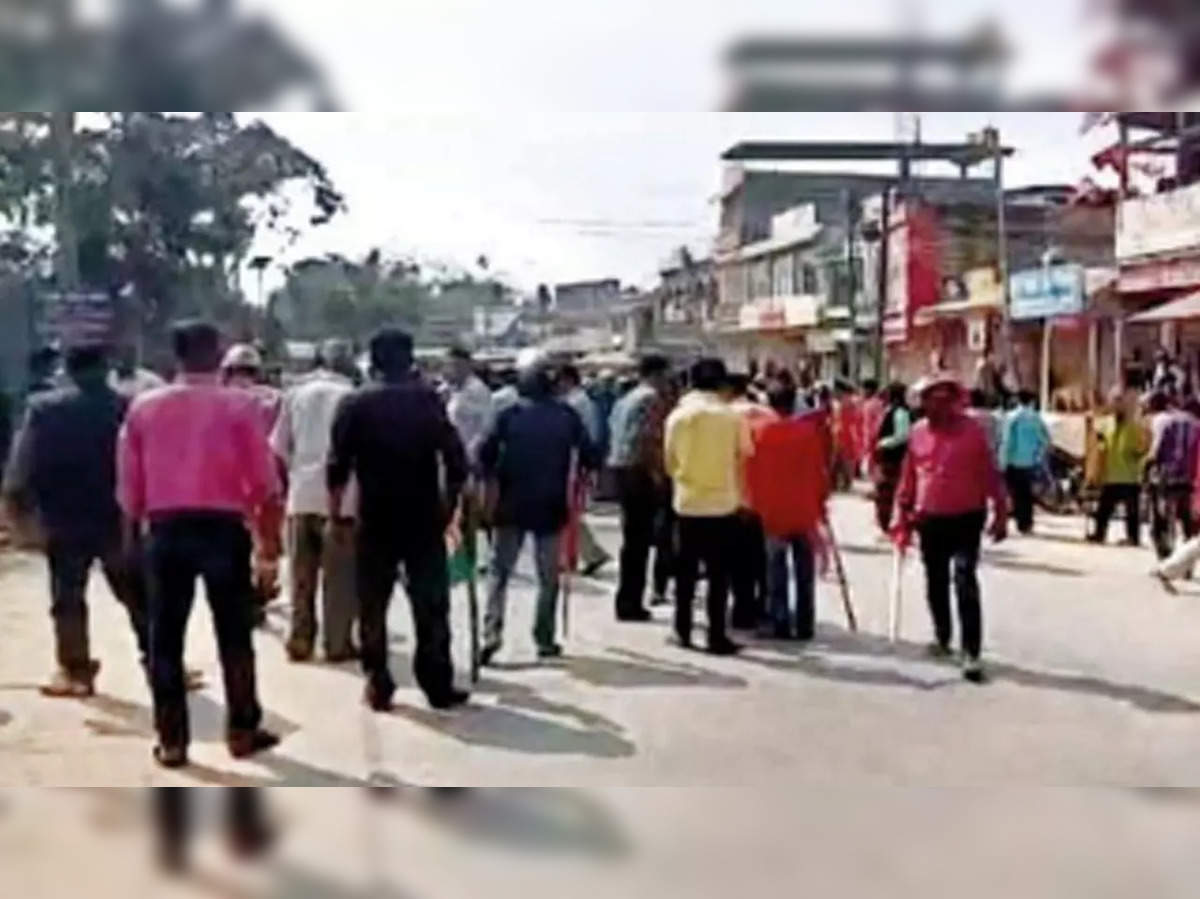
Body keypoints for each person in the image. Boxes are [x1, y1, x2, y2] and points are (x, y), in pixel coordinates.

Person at [117, 321, 283, 768]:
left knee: (164, 640)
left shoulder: (143, 409)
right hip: (223, 529)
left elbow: (130, 489)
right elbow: (264, 482)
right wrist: (268, 544)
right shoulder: (242, 406)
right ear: (217, 354)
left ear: (176, 356)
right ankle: (243, 730)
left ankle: (172, 741)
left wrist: (132, 541)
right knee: (235, 635)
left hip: (166, 530)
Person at [327, 328, 469, 712]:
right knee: (431, 605)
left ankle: (378, 682)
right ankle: (437, 684)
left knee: (372, 604)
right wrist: (449, 505)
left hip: (374, 517)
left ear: (372, 362)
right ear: (410, 362)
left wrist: (336, 517)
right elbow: (456, 459)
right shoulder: (429, 402)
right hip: (423, 516)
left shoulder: (354, 403)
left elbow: (337, 467)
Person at [2, 345, 148, 697]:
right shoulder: (127, 408)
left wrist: (16, 511)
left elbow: (22, 465)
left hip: (63, 517)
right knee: (138, 594)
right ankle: (161, 659)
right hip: (117, 516)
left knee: (67, 598)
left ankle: (76, 671)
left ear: (67, 370)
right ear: (105, 368)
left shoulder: (45, 409)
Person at [479, 353, 600, 663]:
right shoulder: (567, 416)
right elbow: (590, 455)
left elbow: (484, 455)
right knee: (548, 576)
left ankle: (491, 633)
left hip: (511, 504)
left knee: (499, 572)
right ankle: (543, 637)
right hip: (550, 504)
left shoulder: (508, 415)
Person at [892, 375, 1009, 684]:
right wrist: (901, 514)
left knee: (964, 578)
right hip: (929, 517)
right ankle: (942, 635)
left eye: (944, 400)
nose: (936, 406)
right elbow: (910, 477)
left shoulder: (972, 432)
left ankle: (971, 652)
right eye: (931, 399)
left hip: (967, 516)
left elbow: (990, 473)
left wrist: (1001, 512)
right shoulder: (917, 433)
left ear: (954, 402)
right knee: (935, 579)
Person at [270, 338, 360, 663]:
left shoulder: (294, 393)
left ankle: (300, 639)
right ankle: (337, 644)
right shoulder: (352, 395)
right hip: (342, 500)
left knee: (301, 576)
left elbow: (279, 448)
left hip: (301, 495)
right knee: (339, 578)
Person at [664, 357, 748, 656]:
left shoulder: (678, 417)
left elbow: (669, 462)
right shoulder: (731, 416)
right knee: (719, 575)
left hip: (687, 503)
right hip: (723, 505)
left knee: (684, 573)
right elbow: (743, 455)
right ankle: (716, 636)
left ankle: (682, 630)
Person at [745, 380, 829, 640]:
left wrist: (753, 504)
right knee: (804, 569)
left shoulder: (758, 432)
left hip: (772, 508)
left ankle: (779, 620)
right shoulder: (808, 433)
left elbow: (750, 473)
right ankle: (805, 622)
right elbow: (819, 472)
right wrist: (820, 502)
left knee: (775, 569)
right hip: (803, 508)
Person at [607, 354, 673, 621]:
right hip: (639, 473)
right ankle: (631, 602)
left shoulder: (626, 399)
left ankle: (627, 598)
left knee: (631, 540)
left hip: (621, 470)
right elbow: (648, 439)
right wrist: (657, 474)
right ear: (657, 373)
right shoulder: (651, 399)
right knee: (640, 542)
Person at [725, 372, 772, 630]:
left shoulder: (724, 416)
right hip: (764, 496)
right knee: (760, 557)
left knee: (736, 559)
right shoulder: (768, 414)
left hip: (732, 497)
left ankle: (741, 609)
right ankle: (763, 606)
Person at [558, 363, 611, 575]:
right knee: (567, 514)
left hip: (573, 464)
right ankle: (573, 556)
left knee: (568, 513)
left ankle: (591, 554)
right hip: (574, 463)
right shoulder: (580, 401)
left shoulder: (576, 403)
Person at [1089, 387, 1150, 546]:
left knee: (1132, 512)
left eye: (1120, 402)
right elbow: (1097, 442)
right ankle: (1099, 534)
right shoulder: (1105, 424)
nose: (1118, 406)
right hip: (1110, 474)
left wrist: (1138, 453)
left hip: (1129, 475)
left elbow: (1143, 448)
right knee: (1103, 509)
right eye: (1115, 401)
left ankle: (1133, 538)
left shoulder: (1134, 427)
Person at [1145, 392, 1199, 560]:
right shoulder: (1196, 424)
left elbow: (1156, 451)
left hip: (1166, 480)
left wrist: (1146, 470)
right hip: (1189, 480)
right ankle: (1186, 561)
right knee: (1187, 522)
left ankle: (1165, 558)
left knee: (1159, 520)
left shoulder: (1161, 420)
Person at [1001, 389, 1051, 535]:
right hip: (1030, 462)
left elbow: (1007, 441)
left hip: (1013, 460)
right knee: (1026, 493)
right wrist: (1039, 454)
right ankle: (1026, 523)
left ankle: (1017, 518)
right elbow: (1045, 439)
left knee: (1014, 492)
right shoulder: (1036, 418)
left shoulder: (1011, 417)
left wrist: (1002, 461)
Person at [444, 345, 494, 468]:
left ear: (468, 365)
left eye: (457, 365)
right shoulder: (448, 389)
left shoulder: (478, 390)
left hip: (471, 454)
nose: (453, 369)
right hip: (453, 453)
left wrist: (472, 451)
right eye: (450, 365)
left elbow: (486, 425)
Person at [873, 382, 911, 534]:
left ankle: (892, 524)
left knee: (889, 491)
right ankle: (886, 522)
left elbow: (902, 436)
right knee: (884, 492)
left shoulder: (900, 412)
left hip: (894, 458)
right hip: (887, 458)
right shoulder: (890, 411)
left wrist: (883, 443)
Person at [831, 380, 863, 491]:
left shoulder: (846, 402)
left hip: (844, 434)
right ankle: (841, 483)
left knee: (844, 459)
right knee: (841, 459)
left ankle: (844, 483)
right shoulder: (843, 402)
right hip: (841, 433)